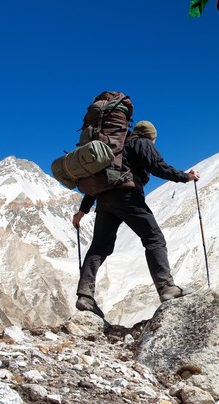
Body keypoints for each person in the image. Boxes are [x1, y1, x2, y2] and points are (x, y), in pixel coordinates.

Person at [72, 120, 200, 318]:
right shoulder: (142, 142)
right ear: (152, 136)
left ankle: (85, 296)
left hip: (104, 200)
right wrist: (185, 176)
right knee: (154, 238)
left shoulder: (113, 151)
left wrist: (83, 210)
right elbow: (157, 167)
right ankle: (166, 288)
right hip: (128, 197)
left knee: (99, 247)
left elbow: (99, 182)